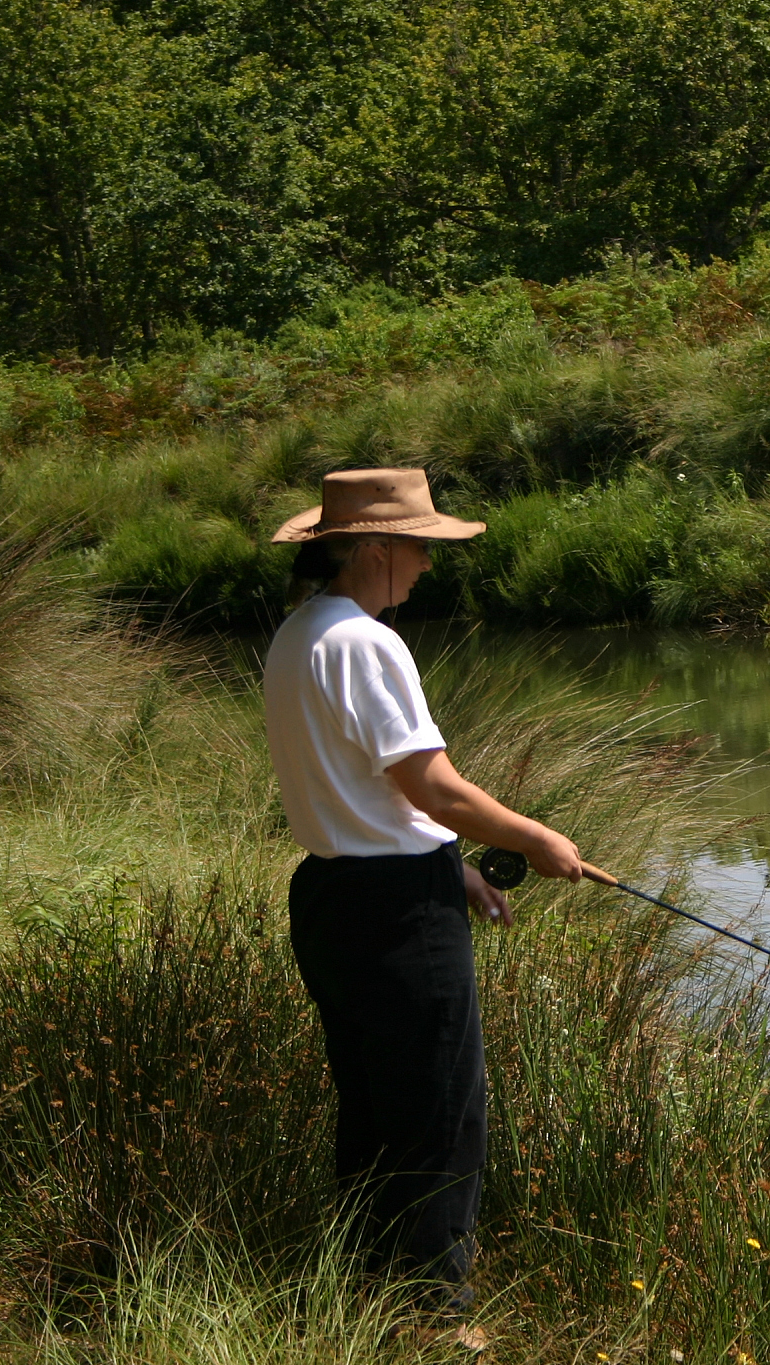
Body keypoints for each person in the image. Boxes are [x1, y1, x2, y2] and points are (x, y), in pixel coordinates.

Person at [261, 467, 586, 1328]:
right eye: (421, 548)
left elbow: (366, 794)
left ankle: (369, 1295)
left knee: (373, 1107)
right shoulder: (368, 643)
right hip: (399, 914)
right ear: (375, 548)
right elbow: (435, 789)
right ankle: (440, 1321)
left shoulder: (298, 635)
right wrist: (536, 840)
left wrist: (457, 868)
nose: (430, 566)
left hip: (331, 896)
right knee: (442, 1117)